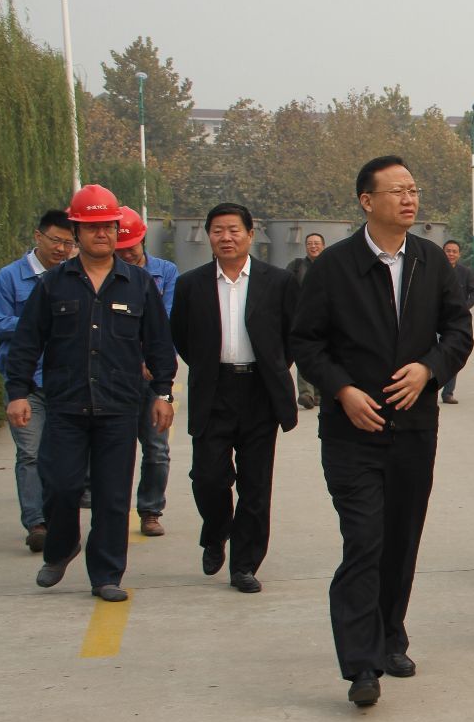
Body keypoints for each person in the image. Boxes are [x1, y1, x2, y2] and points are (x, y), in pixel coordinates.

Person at [290, 156, 474, 708]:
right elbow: (305, 341)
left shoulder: (429, 262)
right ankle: (361, 664)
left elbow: (458, 329)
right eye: (397, 191)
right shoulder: (334, 266)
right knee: (364, 541)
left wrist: (430, 368)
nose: (409, 199)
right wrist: (342, 390)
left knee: (401, 539)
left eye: (413, 189)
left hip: (414, 429)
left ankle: (392, 634)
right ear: (367, 201)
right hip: (352, 434)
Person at [4, 184, 176, 601]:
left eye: (109, 226)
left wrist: (163, 393)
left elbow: (158, 343)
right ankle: (61, 549)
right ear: (77, 232)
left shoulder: (138, 283)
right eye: (93, 227)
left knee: (112, 497)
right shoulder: (53, 284)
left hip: (120, 406)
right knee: (61, 487)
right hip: (66, 405)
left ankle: (106, 575)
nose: (103, 233)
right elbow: (27, 341)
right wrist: (18, 392)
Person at [169, 203, 300, 594]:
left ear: (250, 234)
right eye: (217, 231)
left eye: (233, 230)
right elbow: (182, 337)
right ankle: (216, 531)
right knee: (207, 477)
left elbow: (292, 335)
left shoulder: (278, 282)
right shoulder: (191, 284)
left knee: (255, 485)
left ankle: (244, 565)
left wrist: (272, 368)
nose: (226, 238)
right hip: (214, 390)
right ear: (209, 235)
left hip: (260, 392)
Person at [0, 210, 77, 552]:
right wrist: (40, 321)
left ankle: (61, 515)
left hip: (66, 381)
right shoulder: (11, 277)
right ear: (38, 236)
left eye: (68, 243)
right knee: (30, 453)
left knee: (64, 455)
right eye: (56, 240)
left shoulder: (74, 277)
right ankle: (37, 523)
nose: (61, 249)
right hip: (25, 382)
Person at [113, 207, 179, 537]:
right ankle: (112, 509)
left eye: (132, 247)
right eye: (121, 249)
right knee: (115, 448)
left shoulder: (165, 272)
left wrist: (150, 359)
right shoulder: (109, 275)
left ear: (142, 240)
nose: (127, 254)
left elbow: (164, 320)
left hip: (154, 376)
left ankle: (151, 510)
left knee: (156, 448)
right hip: (117, 375)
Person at [440, 238, 474, 403]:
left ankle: (448, 393)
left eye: (454, 251)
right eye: (448, 251)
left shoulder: (465, 273)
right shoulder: (435, 270)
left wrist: (464, 308)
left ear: (459, 254)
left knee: (452, 354)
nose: (451, 254)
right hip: (435, 319)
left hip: (455, 320)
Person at [288, 232, 324, 410]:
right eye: (310, 243)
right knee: (304, 352)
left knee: (322, 353)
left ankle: (318, 394)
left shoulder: (331, 265)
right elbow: (285, 289)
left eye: (316, 243)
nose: (313, 246)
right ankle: (306, 394)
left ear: (323, 246)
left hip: (325, 317)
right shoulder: (296, 267)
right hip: (302, 317)